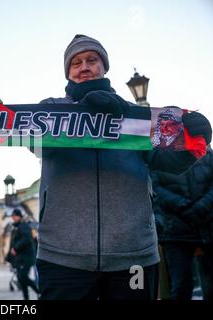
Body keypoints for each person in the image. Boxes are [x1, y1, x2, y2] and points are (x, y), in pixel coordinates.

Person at [34, 34, 212, 300]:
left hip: (134, 255)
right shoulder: (50, 109)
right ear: (68, 73)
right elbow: (38, 145)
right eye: (76, 63)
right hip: (62, 255)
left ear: (104, 66)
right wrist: (85, 109)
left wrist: (196, 139)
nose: (84, 67)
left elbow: (169, 162)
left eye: (92, 60)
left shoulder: (138, 117)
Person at [151, 147, 213, 300]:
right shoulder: (158, 155)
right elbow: (155, 188)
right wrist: (182, 205)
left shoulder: (207, 153)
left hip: (207, 226)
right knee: (180, 286)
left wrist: (202, 205)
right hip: (175, 229)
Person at [8, 209, 39, 300]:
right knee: (21, 278)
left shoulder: (23, 226)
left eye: (14, 216)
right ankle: (26, 297)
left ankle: (39, 291)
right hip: (20, 258)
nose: (13, 218)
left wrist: (15, 248)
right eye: (12, 216)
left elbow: (26, 239)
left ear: (19, 216)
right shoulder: (17, 227)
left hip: (25, 258)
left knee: (22, 277)